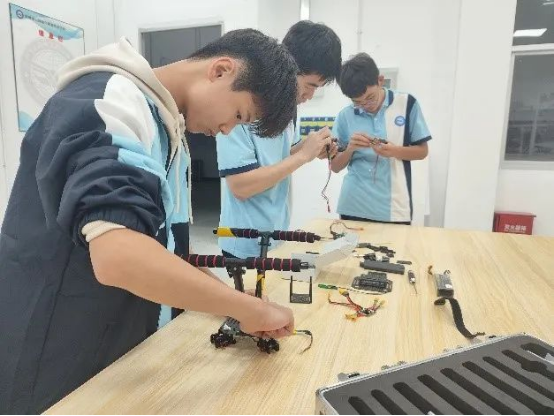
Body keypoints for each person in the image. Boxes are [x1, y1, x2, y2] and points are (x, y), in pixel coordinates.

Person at [0, 29, 299, 413]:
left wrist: (236, 303)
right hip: (57, 355)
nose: (227, 130)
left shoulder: (167, 129)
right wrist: (248, 310)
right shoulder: (111, 101)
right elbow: (120, 255)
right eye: (239, 115)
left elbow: (164, 252)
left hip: (113, 348)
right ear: (221, 70)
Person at [216, 20, 341, 259]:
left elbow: (279, 158)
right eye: (310, 85)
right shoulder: (242, 106)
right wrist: (303, 156)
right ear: (288, 66)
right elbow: (241, 186)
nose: (310, 95)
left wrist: (309, 148)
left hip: (276, 234)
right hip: (243, 241)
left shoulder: (288, 109)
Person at [331, 53, 431, 224]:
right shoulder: (345, 116)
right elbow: (335, 166)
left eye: (370, 98)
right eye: (357, 102)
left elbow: (422, 152)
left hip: (395, 209)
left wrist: (394, 151)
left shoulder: (407, 104)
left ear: (380, 80)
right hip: (353, 206)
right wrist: (350, 149)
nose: (365, 106)